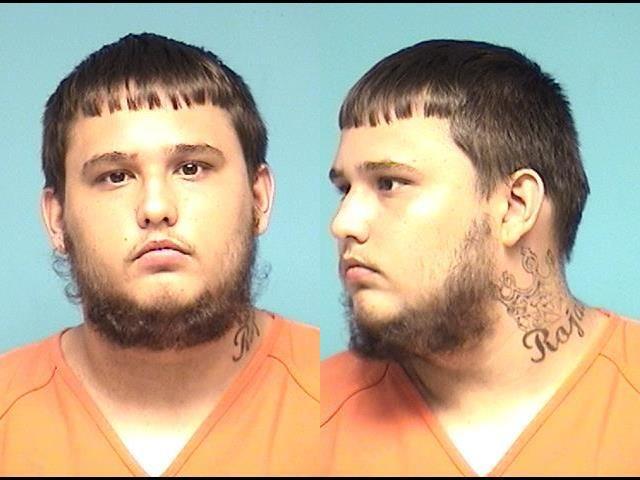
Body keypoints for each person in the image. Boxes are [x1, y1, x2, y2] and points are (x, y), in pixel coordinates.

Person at [0, 32, 319, 476]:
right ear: (57, 219)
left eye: (191, 168)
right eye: (115, 176)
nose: (155, 208)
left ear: (259, 198)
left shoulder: (342, 397)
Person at [321, 39, 640, 476]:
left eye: (389, 183)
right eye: (344, 189)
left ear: (514, 206)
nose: (343, 223)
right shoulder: (305, 419)